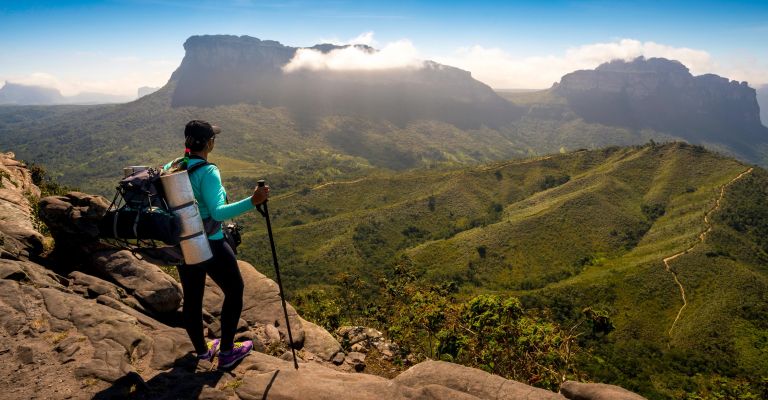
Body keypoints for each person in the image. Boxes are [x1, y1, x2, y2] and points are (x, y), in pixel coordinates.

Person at [164, 119, 269, 370]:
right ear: (210, 143)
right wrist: (253, 200)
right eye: (214, 138)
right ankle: (227, 352)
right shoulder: (209, 171)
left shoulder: (172, 166)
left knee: (192, 299)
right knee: (235, 290)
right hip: (210, 242)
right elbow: (219, 213)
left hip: (184, 243)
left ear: (186, 142)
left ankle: (202, 352)